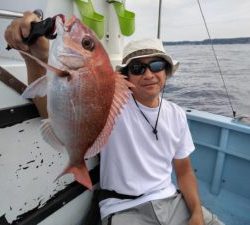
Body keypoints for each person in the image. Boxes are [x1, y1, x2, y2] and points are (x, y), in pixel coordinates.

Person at [5, 12, 224, 225]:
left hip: (172, 201)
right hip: (124, 208)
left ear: (166, 72)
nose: (149, 74)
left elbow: (184, 170)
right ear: (126, 75)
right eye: (138, 68)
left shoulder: (177, 114)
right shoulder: (112, 104)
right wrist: (35, 56)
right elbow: (51, 110)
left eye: (156, 66)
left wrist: (195, 212)